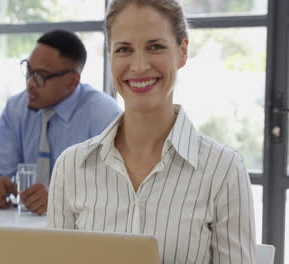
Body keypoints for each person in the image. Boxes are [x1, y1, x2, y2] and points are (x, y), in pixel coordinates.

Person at [47, 0, 256, 263]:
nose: (139, 66)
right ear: (110, 54)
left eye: (155, 47)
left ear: (182, 51)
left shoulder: (223, 170)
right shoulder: (71, 167)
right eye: (124, 49)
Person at [0, 29, 121, 215]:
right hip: (20, 228)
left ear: (72, 82)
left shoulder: (103, 114)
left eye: (41, 75)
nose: (30, 82)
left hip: (81, 234)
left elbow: (116, 189)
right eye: (29, 70)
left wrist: (62, 199)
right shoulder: (16, 108)